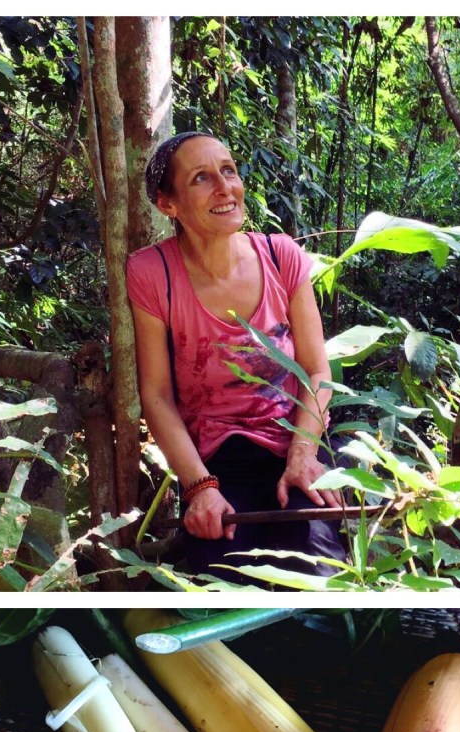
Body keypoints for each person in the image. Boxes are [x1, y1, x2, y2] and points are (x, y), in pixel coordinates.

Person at [126, 130, 346, 582]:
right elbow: (157, 395)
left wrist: (303, 454)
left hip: (292, 437)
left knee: (319, 569)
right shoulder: (151, 272)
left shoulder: (281, 255)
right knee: (225, 577)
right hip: (215, 458)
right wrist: (199, 486)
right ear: (168, 205)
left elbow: (316, 369)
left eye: (228, 170)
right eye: (202, 178)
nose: (225, 187)